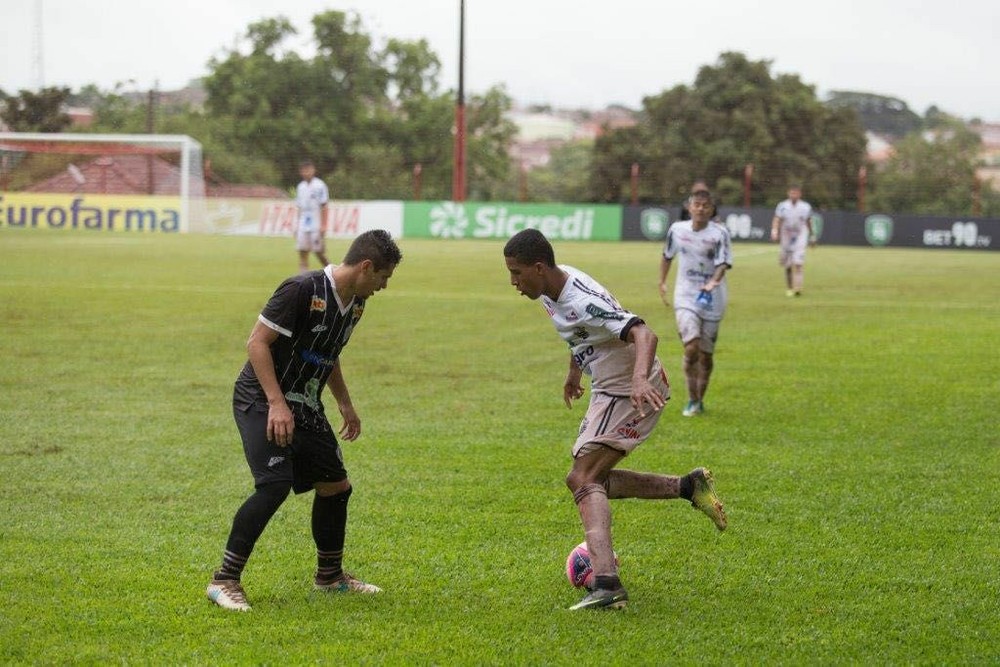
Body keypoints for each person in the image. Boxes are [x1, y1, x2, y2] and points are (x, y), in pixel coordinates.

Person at [503, 228, 727, 611]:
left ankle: (607, 583)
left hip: (631, 389)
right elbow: (581, 335)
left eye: (517, 273)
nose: (513, 282)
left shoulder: (579, 298)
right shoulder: (550, 290)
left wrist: (639, 379)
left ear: (539, 268)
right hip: (608, 387)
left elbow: (644, 332)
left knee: (582, 478)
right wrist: (574, 373)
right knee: (595, 480)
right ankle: (687, 487)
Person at [206, 229, 403, 612]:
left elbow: (328, 354)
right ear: (366, 267)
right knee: (274, 485)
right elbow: (256, 343)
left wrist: (345, 403)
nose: (384, 286)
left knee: (335, 486)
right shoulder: (301, 289)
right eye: (383, 277)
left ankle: (329, 578)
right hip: (263, 397)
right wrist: (276, 403)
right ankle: (224, 580)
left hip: (305, 401)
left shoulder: (356, 304)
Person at [659, 189, 733, 417]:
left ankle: (700, 399)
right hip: (685, 295)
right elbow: (667, 255)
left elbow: (723, 263)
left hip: (713, 297)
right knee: (691, 347)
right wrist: (662, 282)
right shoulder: (677, 230)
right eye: (697, 205)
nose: (700, 209)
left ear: (711, 210)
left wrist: (713, 282)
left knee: (706, 355)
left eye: (705, 206)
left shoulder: (720, 233)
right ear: (689, 207)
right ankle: (691, 399)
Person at [770, 186, 816, 296]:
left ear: (799, 194)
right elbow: (777, 219)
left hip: (800, 234)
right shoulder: (782, 206)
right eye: (791, 193)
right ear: (788, 194)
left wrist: (812, 236)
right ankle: (790, 287)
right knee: (787, 264)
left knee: (798, 262)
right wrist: (775, 231)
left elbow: (809, 221)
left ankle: (798, 288)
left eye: (796, 193)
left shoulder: (805, 207)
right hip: (786, 234)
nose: (793, 196)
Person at [295, 160, 331, 273]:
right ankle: (302, 278)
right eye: (304, 170)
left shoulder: (320, 185)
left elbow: (324, 206)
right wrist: (297, 225)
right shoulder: (300, 187)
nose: (306, 172)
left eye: (308, 170)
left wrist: (324, 225)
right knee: (302, 251)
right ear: (301, 172)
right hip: (303, 223)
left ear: (313, 170)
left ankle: (333, 272)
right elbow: (299, 207)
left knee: (319, 252)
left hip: (316, 222)